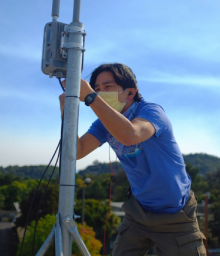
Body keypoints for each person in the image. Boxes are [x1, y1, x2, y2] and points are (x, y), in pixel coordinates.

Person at [59, 63, 206, 256]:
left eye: (108, 87)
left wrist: (90, 96)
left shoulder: (152, 112)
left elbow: (131, 134)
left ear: (130, 92)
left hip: (176, 216)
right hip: (138, 213)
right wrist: (66, 111)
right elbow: (77, 152)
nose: (101, 93)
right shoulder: (104, 124)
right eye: (97, 89)